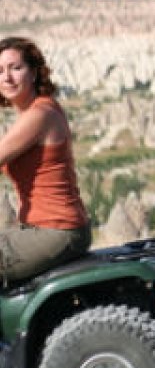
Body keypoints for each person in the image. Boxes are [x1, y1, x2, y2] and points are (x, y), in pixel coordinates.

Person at [0, 37, 91, 285]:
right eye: (0, 71)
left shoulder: (39, 115)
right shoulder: (39, 110)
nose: (7, 78)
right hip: (44, 227)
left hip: (57, 230)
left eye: (15, 68)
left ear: (34, 73)